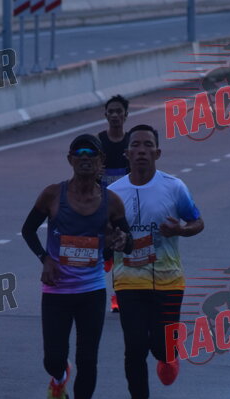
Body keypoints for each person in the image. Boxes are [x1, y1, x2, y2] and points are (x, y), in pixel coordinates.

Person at [21, 134, 133, 399]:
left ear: (101, 162)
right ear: (70, 159)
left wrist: (120, 241)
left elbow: (127, 242)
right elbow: (28, 230)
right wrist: (45, 258)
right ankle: (59, 377)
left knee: (88, 359)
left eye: (91, 153)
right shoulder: (52, 194)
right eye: (79, 153)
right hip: (56, 291)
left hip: (91, 292)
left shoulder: (112, 202)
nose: (85, 158)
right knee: (53, 358)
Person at [108, 124, 204, 399]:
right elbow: (103, 234)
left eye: (147, 145)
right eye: (135, 145)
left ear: (157, 152)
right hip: (128, 279)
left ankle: (168, 356)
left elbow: (197, 222)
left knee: (162, 346)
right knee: (135, 345)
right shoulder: (113, 193)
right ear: (127, 153)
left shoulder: (174, 187)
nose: (141, 150)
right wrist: (111, 241)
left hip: (168, 279)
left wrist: (180, 230)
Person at [98, 95, 131, 313]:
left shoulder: (131, 142)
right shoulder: (99, 141)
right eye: (111, 112)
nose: (115, 115)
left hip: (125, 204)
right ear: (106, 115)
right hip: (101, 203)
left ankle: (117, 297)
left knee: (121, 250)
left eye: (119, 111)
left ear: (126, 115)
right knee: (105, 253)